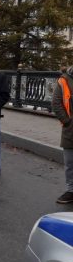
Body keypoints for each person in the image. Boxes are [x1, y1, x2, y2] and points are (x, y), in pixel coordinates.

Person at [52, 66, 73, 204]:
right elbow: (56, 103)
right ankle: (71, 190)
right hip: (71, 128)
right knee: (70, 162)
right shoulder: (64, 80)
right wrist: (66, 121)